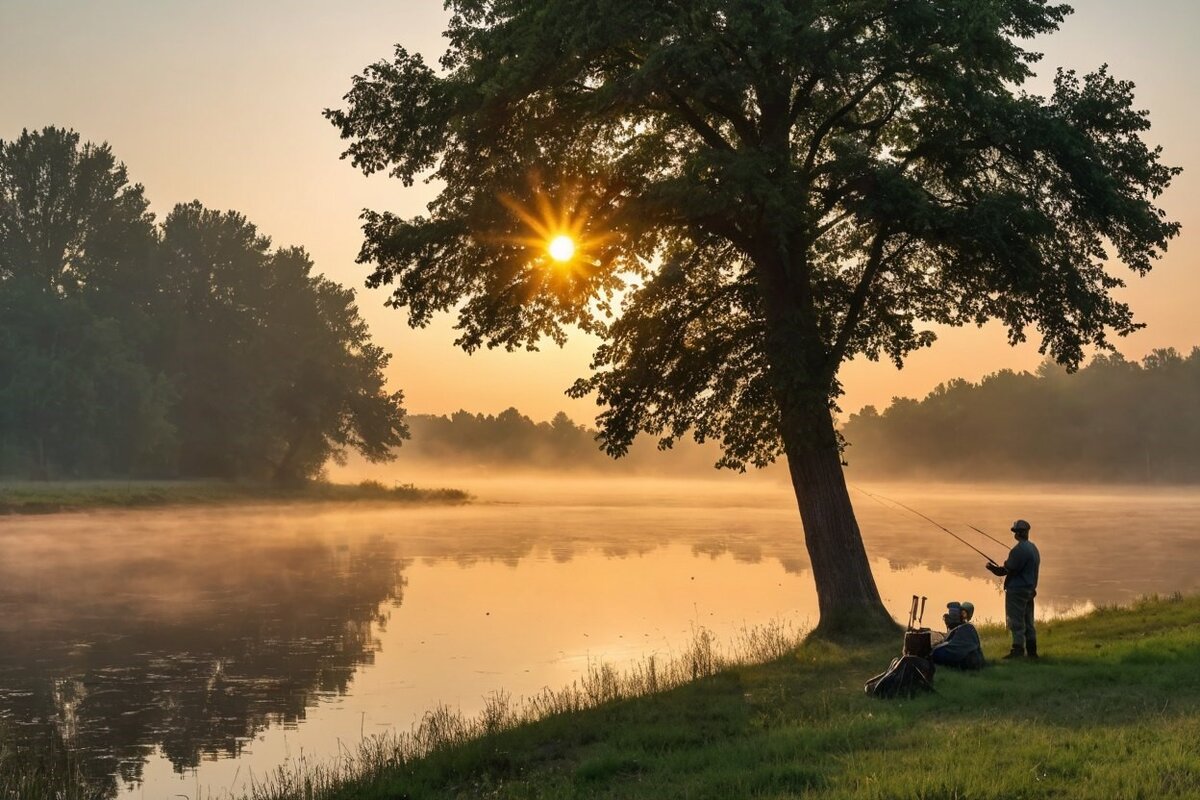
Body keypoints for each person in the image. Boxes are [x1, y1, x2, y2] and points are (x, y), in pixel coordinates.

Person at [986, 519, 1041, 659]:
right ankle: (1032, 651)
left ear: (1018, 533)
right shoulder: (1033, 548)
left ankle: (1017, 651)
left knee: (1016, 621)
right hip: (1030, 590)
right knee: (1029, 621)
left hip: (1017, 591)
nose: (1014, 534)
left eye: (1015, 532)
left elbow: (1005, 570)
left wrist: (991, 568)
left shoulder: (1018, 550)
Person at [930, 601, 985, 669]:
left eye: (954, 615)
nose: (951, 617)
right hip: (971, 661)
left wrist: (934, 650)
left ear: (964, 614)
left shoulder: (967, 628)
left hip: (969, 663)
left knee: (936, 653)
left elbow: (954, 649)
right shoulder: (965, 628)